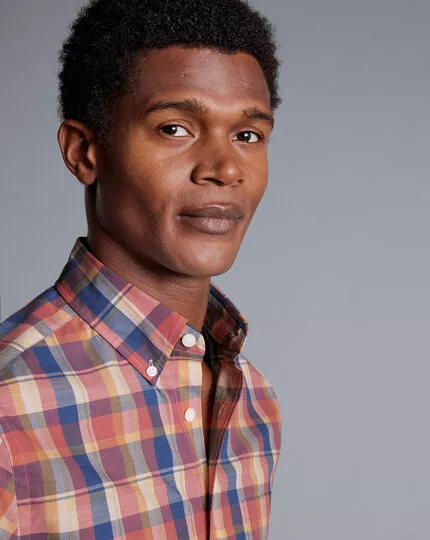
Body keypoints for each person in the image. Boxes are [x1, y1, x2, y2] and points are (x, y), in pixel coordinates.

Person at [0, 0, 283, 537]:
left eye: (247, 135)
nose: (225, 169)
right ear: (85, 152)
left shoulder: (253, 400)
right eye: (175, 128)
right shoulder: (10, 411)